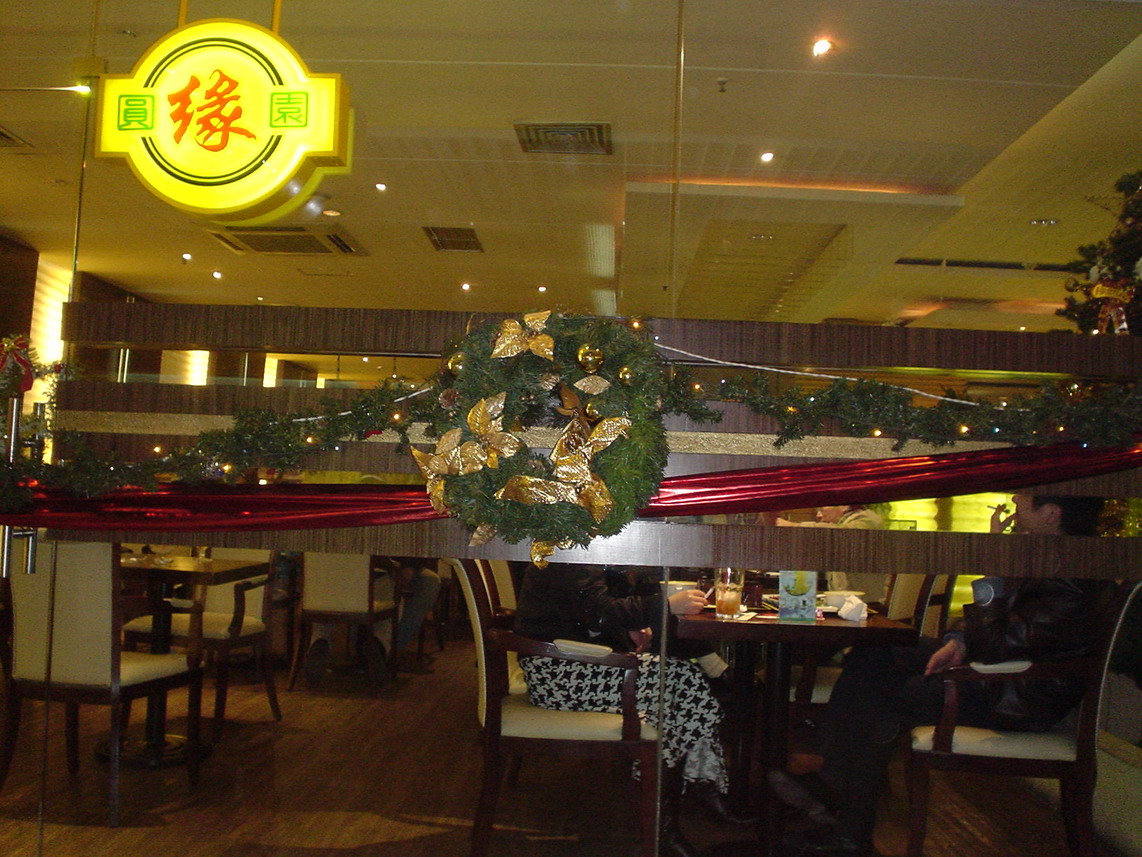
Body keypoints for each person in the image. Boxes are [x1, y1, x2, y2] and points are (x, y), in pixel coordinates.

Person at [776, 494, 1117, 857]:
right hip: (1000, 675)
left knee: (890, 696)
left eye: (1025, 497)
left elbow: (998, 640)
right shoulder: (1054, 557)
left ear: (1051, 514)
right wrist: (958, 641)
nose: (1015, 499)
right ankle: (830, 776)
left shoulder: (1074, 575)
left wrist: (993, 566)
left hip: (1018, 696)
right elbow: (1000, 632)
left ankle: (847, 830)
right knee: (877, 651)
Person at [513, 562, 751, 857]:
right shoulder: (565, 548)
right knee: (678, 679)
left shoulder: (579, 548)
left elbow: (589, 611)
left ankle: (698, 792)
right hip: (555, 672)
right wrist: (665, 604)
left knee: (682, 679)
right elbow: (599, 611)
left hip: (576, 660)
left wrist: (629, 629)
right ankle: (670, 821)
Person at [302, 555, 442, 688]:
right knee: (392, 600)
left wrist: (409, 565)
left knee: (327, 594)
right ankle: (380, 647)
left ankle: (319, 642)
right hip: (379, 571)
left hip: (332, 576)